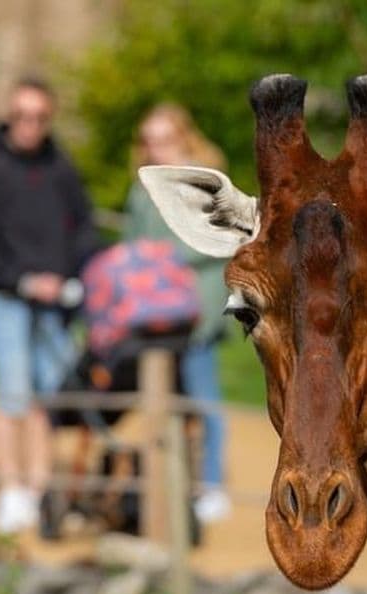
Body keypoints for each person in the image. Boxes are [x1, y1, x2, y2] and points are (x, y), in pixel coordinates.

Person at [0, 75, 101, 534]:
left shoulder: (62, 170)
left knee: (45, 402)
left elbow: (84, 228)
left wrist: (75, 278)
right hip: (9, 302)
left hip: (57, 306)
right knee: (12, 400)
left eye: (40, 116)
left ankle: (42, 491)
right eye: (22, 115)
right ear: (8, 116)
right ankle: (12, 490)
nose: (30, 124)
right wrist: (23, 281)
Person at [125, 103, 231, 524]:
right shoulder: (141, 189)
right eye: (150, 141)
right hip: (153, 314)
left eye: (165, 139)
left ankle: (212, 484)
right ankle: (167, 485)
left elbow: (214, 242)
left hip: (195, 313)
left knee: (204, 403)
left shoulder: (202, 185)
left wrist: (160, 258)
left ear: (184, 137)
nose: (157, 148)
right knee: (162, 402)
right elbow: (132, 242)